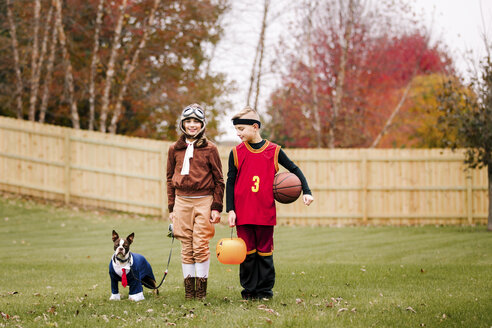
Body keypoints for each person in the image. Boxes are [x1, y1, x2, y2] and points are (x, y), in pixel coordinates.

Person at [226, 106, 314, 300]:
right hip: (243, 213)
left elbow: (294, 168)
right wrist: (230, 209)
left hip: (265, 212)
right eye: (236, 130)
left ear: (255, 127)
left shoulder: (274, 151)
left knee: (265, 253)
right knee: (247, 254)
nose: (238, 133)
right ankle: (249, 291)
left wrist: (306, 191)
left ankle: (265, 292)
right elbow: (230, 182)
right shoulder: (236, 152)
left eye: (241, 129)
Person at [167, 103, 225, 300]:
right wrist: (171, 207)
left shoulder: (210, 149)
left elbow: (219, 180)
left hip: (204, 201)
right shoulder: (174, 149)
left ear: (202, 124)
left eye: (196, 122)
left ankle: (201, 292)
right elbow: (169, 179)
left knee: (200, 244)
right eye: (188, 121)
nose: (192, 125)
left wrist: (216, 207)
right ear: (182, 124)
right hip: (182, 202)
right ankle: (189, 293)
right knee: (186, 245)